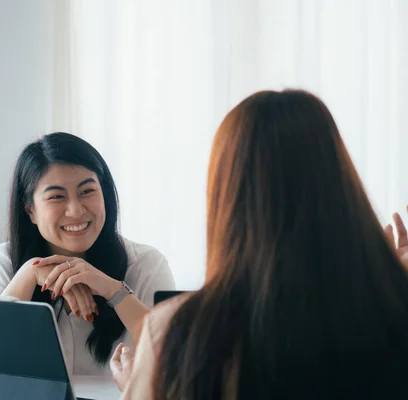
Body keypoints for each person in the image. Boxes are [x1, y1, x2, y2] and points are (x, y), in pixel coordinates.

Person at [111, 90, 408, 399]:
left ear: (225, 196)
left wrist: (147, 383)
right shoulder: (390, 312)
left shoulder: (175, 335)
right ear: (342, 185)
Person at [0, 132, 175, 376]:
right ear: (30, 210)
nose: (75, 210)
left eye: (87, 192)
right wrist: (30, 272)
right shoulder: (5, 262)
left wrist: (113, 291)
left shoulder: (147, 264)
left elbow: (176, 361)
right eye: (57, 197)